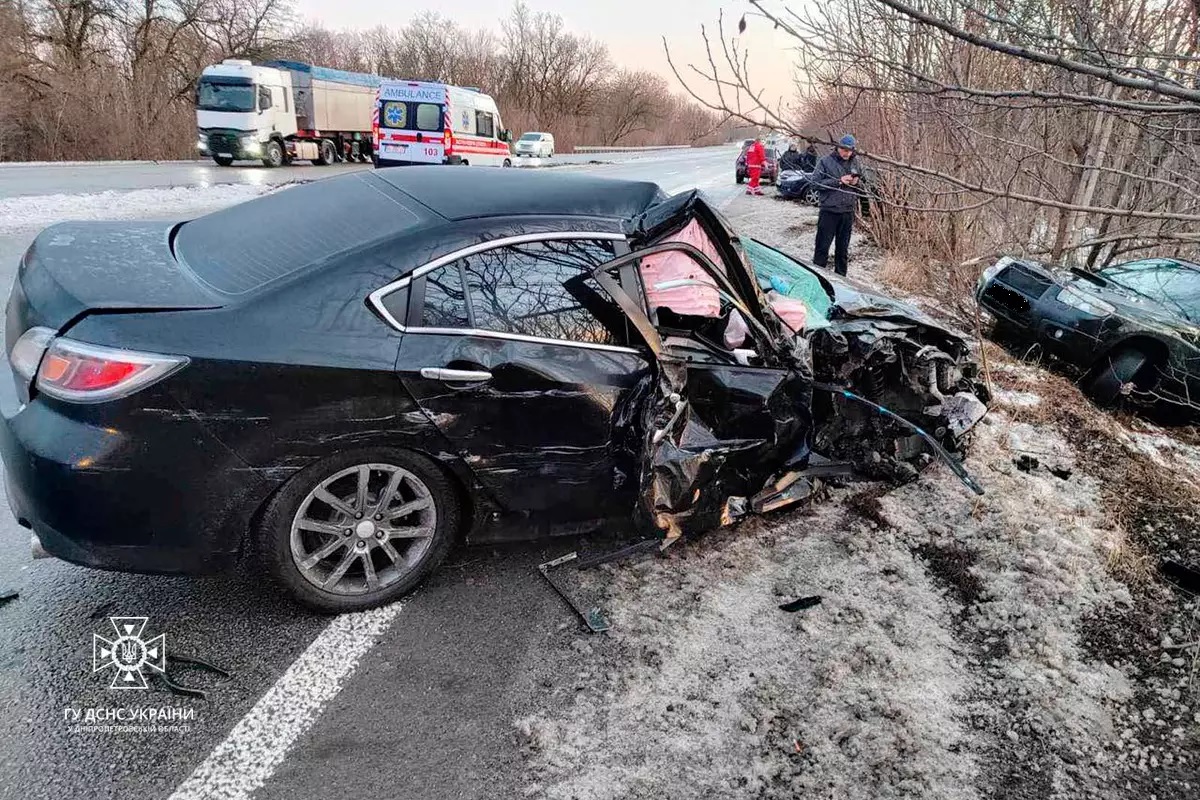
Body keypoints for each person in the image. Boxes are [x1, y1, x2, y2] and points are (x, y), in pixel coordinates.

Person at [810, 134, 863, 276]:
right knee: (822, 249)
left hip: (847, 212)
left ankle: (841, 280)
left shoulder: (856, 162)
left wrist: (857, 183)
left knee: (843, 251)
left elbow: (863, 185)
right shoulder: (825, 161)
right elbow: (814, 183)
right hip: (829, 212)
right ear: (838, 147)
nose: (847, 153)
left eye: (850, 150)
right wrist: (838, 181)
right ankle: (818, 279)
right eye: (845, 150)